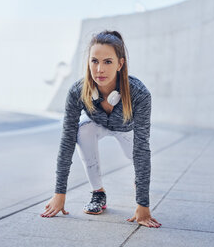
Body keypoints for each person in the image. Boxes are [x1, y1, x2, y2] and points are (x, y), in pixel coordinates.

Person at [40, 30, 161, 228]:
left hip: (126, 130)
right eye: (94, 61)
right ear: (88, 62)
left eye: (107, 62)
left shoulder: (139, 93)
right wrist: (59, 194)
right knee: (82, 131)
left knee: (134, 157)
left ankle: (138, 183)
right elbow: (67, 141)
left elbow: (142, 149)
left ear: (120, 64)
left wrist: (143, 205)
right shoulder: (78, 91)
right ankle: (98, 193)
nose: (99, 69)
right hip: (98, 126)